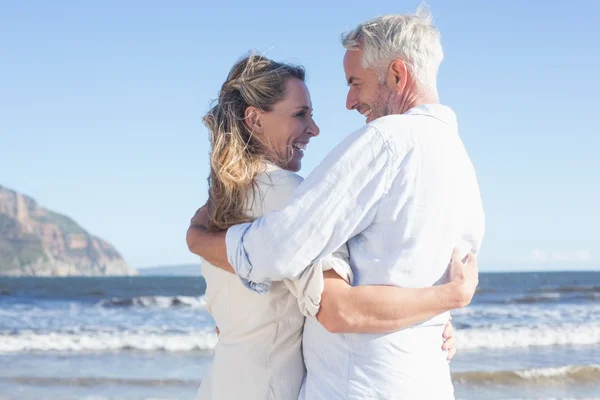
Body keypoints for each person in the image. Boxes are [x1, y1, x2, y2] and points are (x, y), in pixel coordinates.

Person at [189, 51, 479, 400]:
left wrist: (430, 323)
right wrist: (445, 298)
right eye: (300, 115)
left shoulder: (218, 202)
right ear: (255, 119)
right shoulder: (292, 198)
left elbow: (229, 321)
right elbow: (339, 308)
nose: (314, 129)